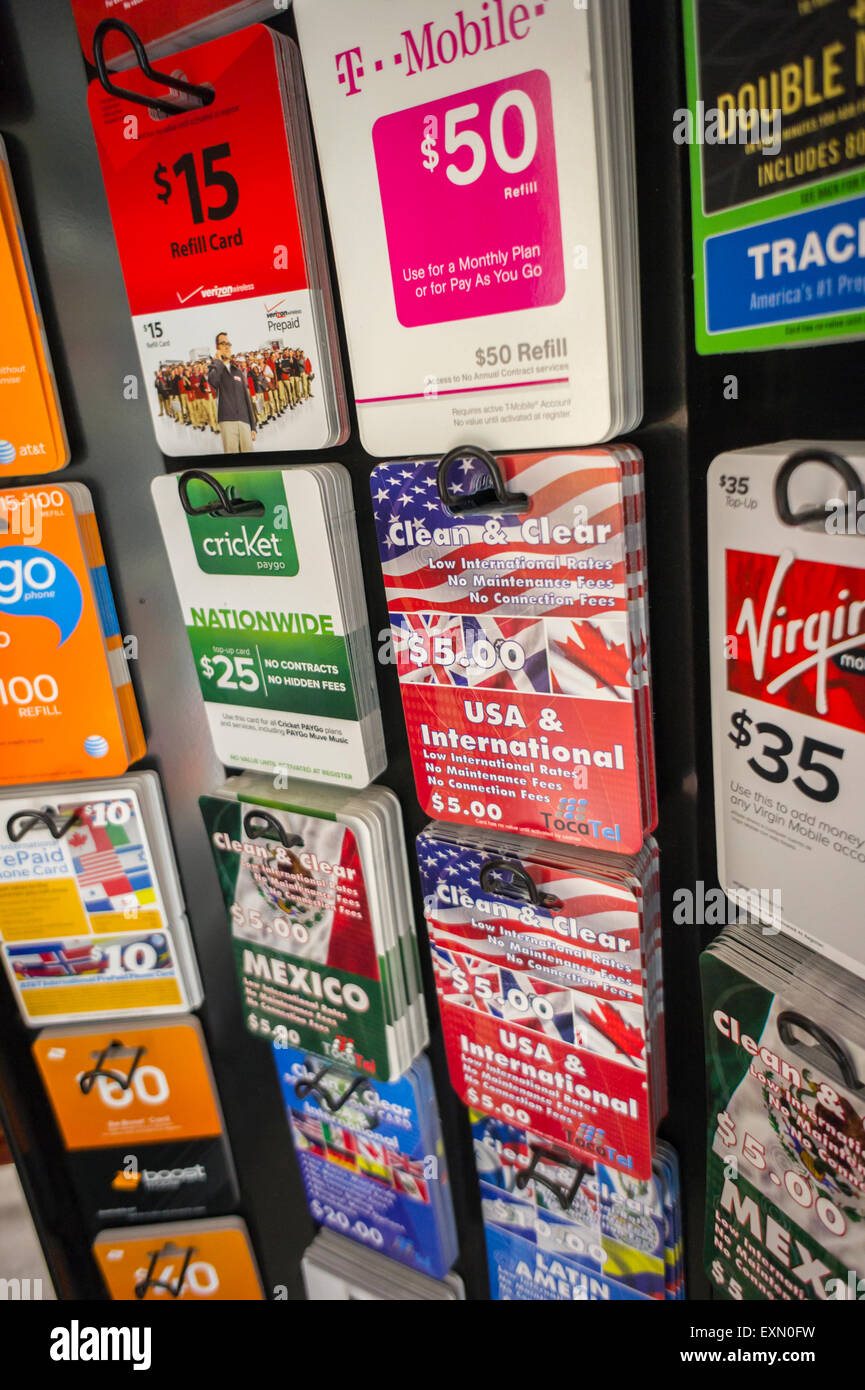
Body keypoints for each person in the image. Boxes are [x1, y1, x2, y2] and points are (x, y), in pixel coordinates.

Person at [207, 332, 257, 452]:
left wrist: (253, 426)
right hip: (227, 421)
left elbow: (247, 399)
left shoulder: (237, 371)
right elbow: (213, 382)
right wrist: (218, 362)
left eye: (228, 343)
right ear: (217, 347)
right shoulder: (214, 368)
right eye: (223, 343)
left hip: (244, 421)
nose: (227, 346)